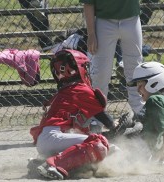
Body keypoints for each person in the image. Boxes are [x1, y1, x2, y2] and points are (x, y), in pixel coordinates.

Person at [29, 49, 119, 180]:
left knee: (107, 148)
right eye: (84, 66)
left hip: (48, 140)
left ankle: (44, 161)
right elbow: (103, 117)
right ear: (76, 68)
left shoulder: (64, 91)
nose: (86, 70)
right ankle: (52, 165)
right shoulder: (80, 89)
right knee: (98, 142)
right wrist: (114, 124)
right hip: (53, 137)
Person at [80, 0, 144, 114]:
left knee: (135, 69)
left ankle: (139, 112)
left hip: (131, 20)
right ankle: (98, 116)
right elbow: (88, 4)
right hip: (104, 22)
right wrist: (91, 34)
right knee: (101, 73)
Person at [127, 61, 164, 165]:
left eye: (140, 85)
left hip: (143, 153)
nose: (137, 90)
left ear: (154, 83)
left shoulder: (155, 100)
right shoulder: (161, 100)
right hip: (142, 150)